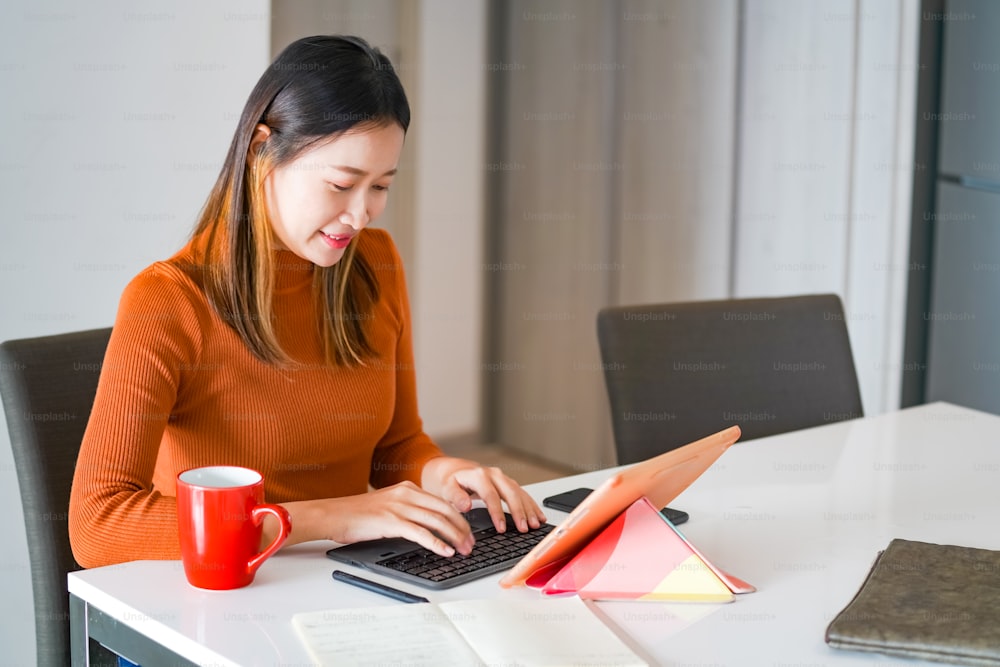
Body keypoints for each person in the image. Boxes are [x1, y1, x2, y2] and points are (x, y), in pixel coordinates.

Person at [69, 35, 546, 569]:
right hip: (223, 594)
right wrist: (329, 518)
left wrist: (443, 473)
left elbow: (395, 447)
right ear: (260, 150)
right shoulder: (167, 302)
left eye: (381, 186)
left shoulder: (375, 264)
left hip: (340, 578)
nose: (362, 214)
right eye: (342, 184)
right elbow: (99, 524)